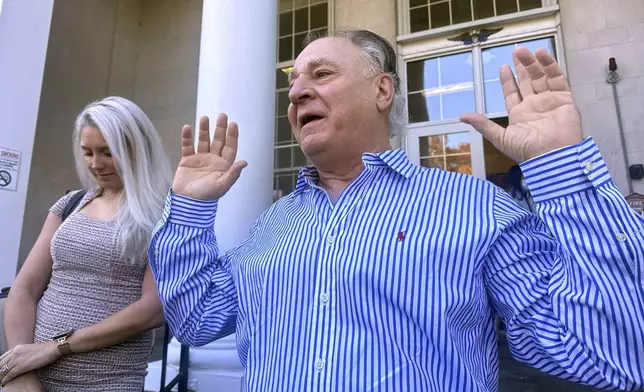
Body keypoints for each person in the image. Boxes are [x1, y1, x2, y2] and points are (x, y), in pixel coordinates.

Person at [149, 29, 644, 392]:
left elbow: (608, 353)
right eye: (294, 82)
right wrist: (190, 210)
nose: (297, 91)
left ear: (383, 91)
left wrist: (562, 169)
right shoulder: (273, 224)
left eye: (321, 74)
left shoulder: (477, 209)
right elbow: (196, 319)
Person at [0, 97, 172, 391]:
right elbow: (25, 289)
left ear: (137, 148)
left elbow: (152, 310)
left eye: (107, 152)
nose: (95, 164)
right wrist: (20, 368)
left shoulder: (163, 213)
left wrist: (56, 346)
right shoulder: (71, 204)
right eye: (87, 152)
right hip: (34, 377)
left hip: (107, 381)